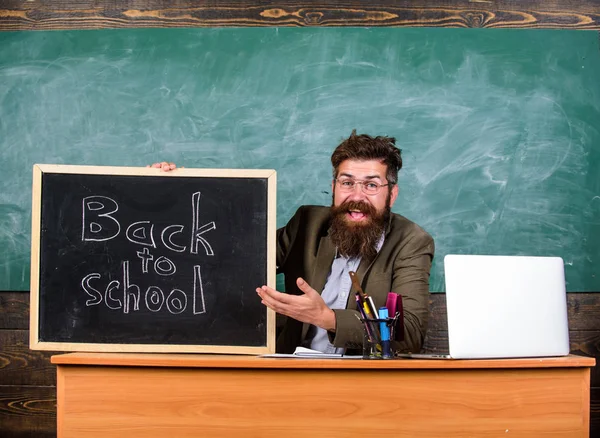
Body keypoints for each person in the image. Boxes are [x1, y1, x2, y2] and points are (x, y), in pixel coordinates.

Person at [152, 130, 434, 354]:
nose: (357, 196)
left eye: (371, 185)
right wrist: (172, 194)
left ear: (392, 194)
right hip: (288, 374)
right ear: (334, 186)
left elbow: (408, 333)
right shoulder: (308, 223)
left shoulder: (411, 242)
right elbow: (226, 255)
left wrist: (328, 318)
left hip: (360, 381)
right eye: (347, 183)